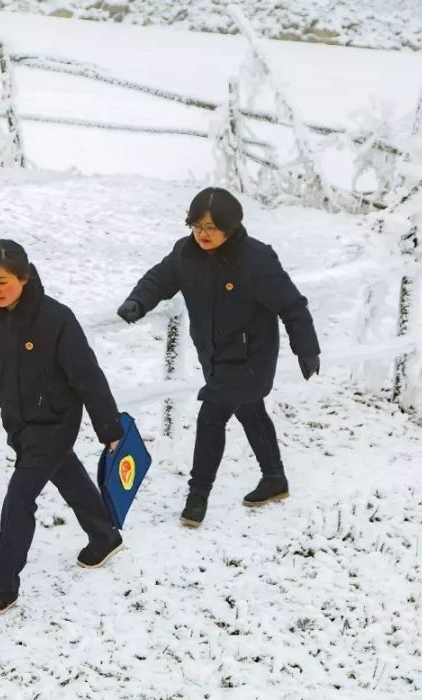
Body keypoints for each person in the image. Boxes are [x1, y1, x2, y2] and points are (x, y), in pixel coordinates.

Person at [116, 188, 320, 528]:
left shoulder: (256, 259)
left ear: (231, 224)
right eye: (196, 226)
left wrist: (307, 348)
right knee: (251, 412)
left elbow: (291, 305)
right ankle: (275, 479)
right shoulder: (186, 253)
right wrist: (137, 302)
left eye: (210, 227)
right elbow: (159, 279)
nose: (202, 234)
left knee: (211, 417)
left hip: (251, 357)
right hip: (214, 355)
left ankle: (198, 496)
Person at [0, 239, 124, 616]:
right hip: (18, 423)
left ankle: (4, 584)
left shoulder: (55, 318)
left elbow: (86, 375)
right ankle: (104, 535)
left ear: (24, 278)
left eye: (3, 281)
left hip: (56, 420)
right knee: (67, 474)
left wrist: (108, 426)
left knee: (19, 499)